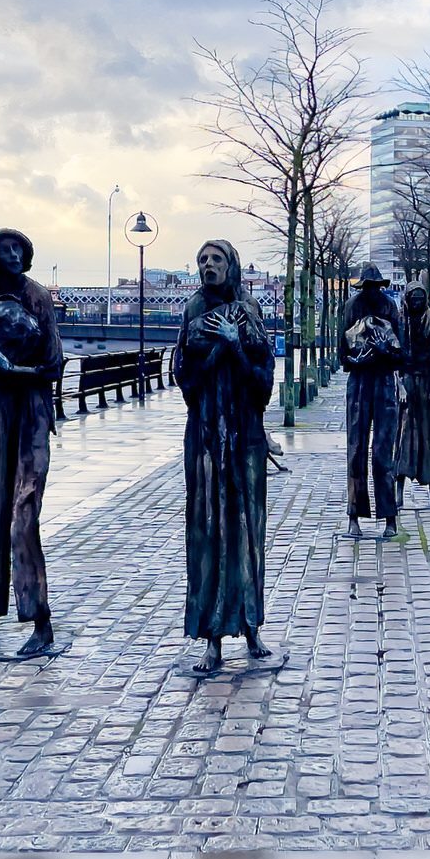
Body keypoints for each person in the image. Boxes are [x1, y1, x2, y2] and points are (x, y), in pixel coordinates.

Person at [172, 239, 277, 674]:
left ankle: (251, 624)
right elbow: (183, 376)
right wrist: (216, 351)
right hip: (205, 437)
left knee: (249, 530)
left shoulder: (249, 310)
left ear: (231, 265)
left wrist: (236, 345)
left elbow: (263, 380)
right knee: (208, 530)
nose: (208, 265)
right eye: (202, 259)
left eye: (216, 259)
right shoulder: (193, 310)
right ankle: (211, 637)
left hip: (245, 434)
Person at [0, 228, 63, 658]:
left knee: (24, 514)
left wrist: (11, 370)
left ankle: (40, 620)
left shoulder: (39, 298)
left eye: (20, 248)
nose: (14, 254)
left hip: (32, 412)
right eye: (6, 249)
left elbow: (54, 365)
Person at [338, 263, 404, 539]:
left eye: (375, 287)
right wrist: (355, 360)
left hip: (385, 383)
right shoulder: (352, 306)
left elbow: (403, 353)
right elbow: (342, 354)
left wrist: (384, 351)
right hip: (360, 384)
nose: (372, 292)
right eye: (367, 287)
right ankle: (354, 516)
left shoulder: (390, 307)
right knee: (356, 450)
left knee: (382, 453)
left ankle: (389, 517)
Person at [394, 280, 430, 508]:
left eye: (420, 298)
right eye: (414, 298)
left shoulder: (428, 318)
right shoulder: (400, 319)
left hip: (424, 381)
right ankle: (399, 491)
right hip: (407, 381)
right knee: (404, 436)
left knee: (429, 436)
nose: (417, 302)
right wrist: (400, 386)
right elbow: (394, 357)